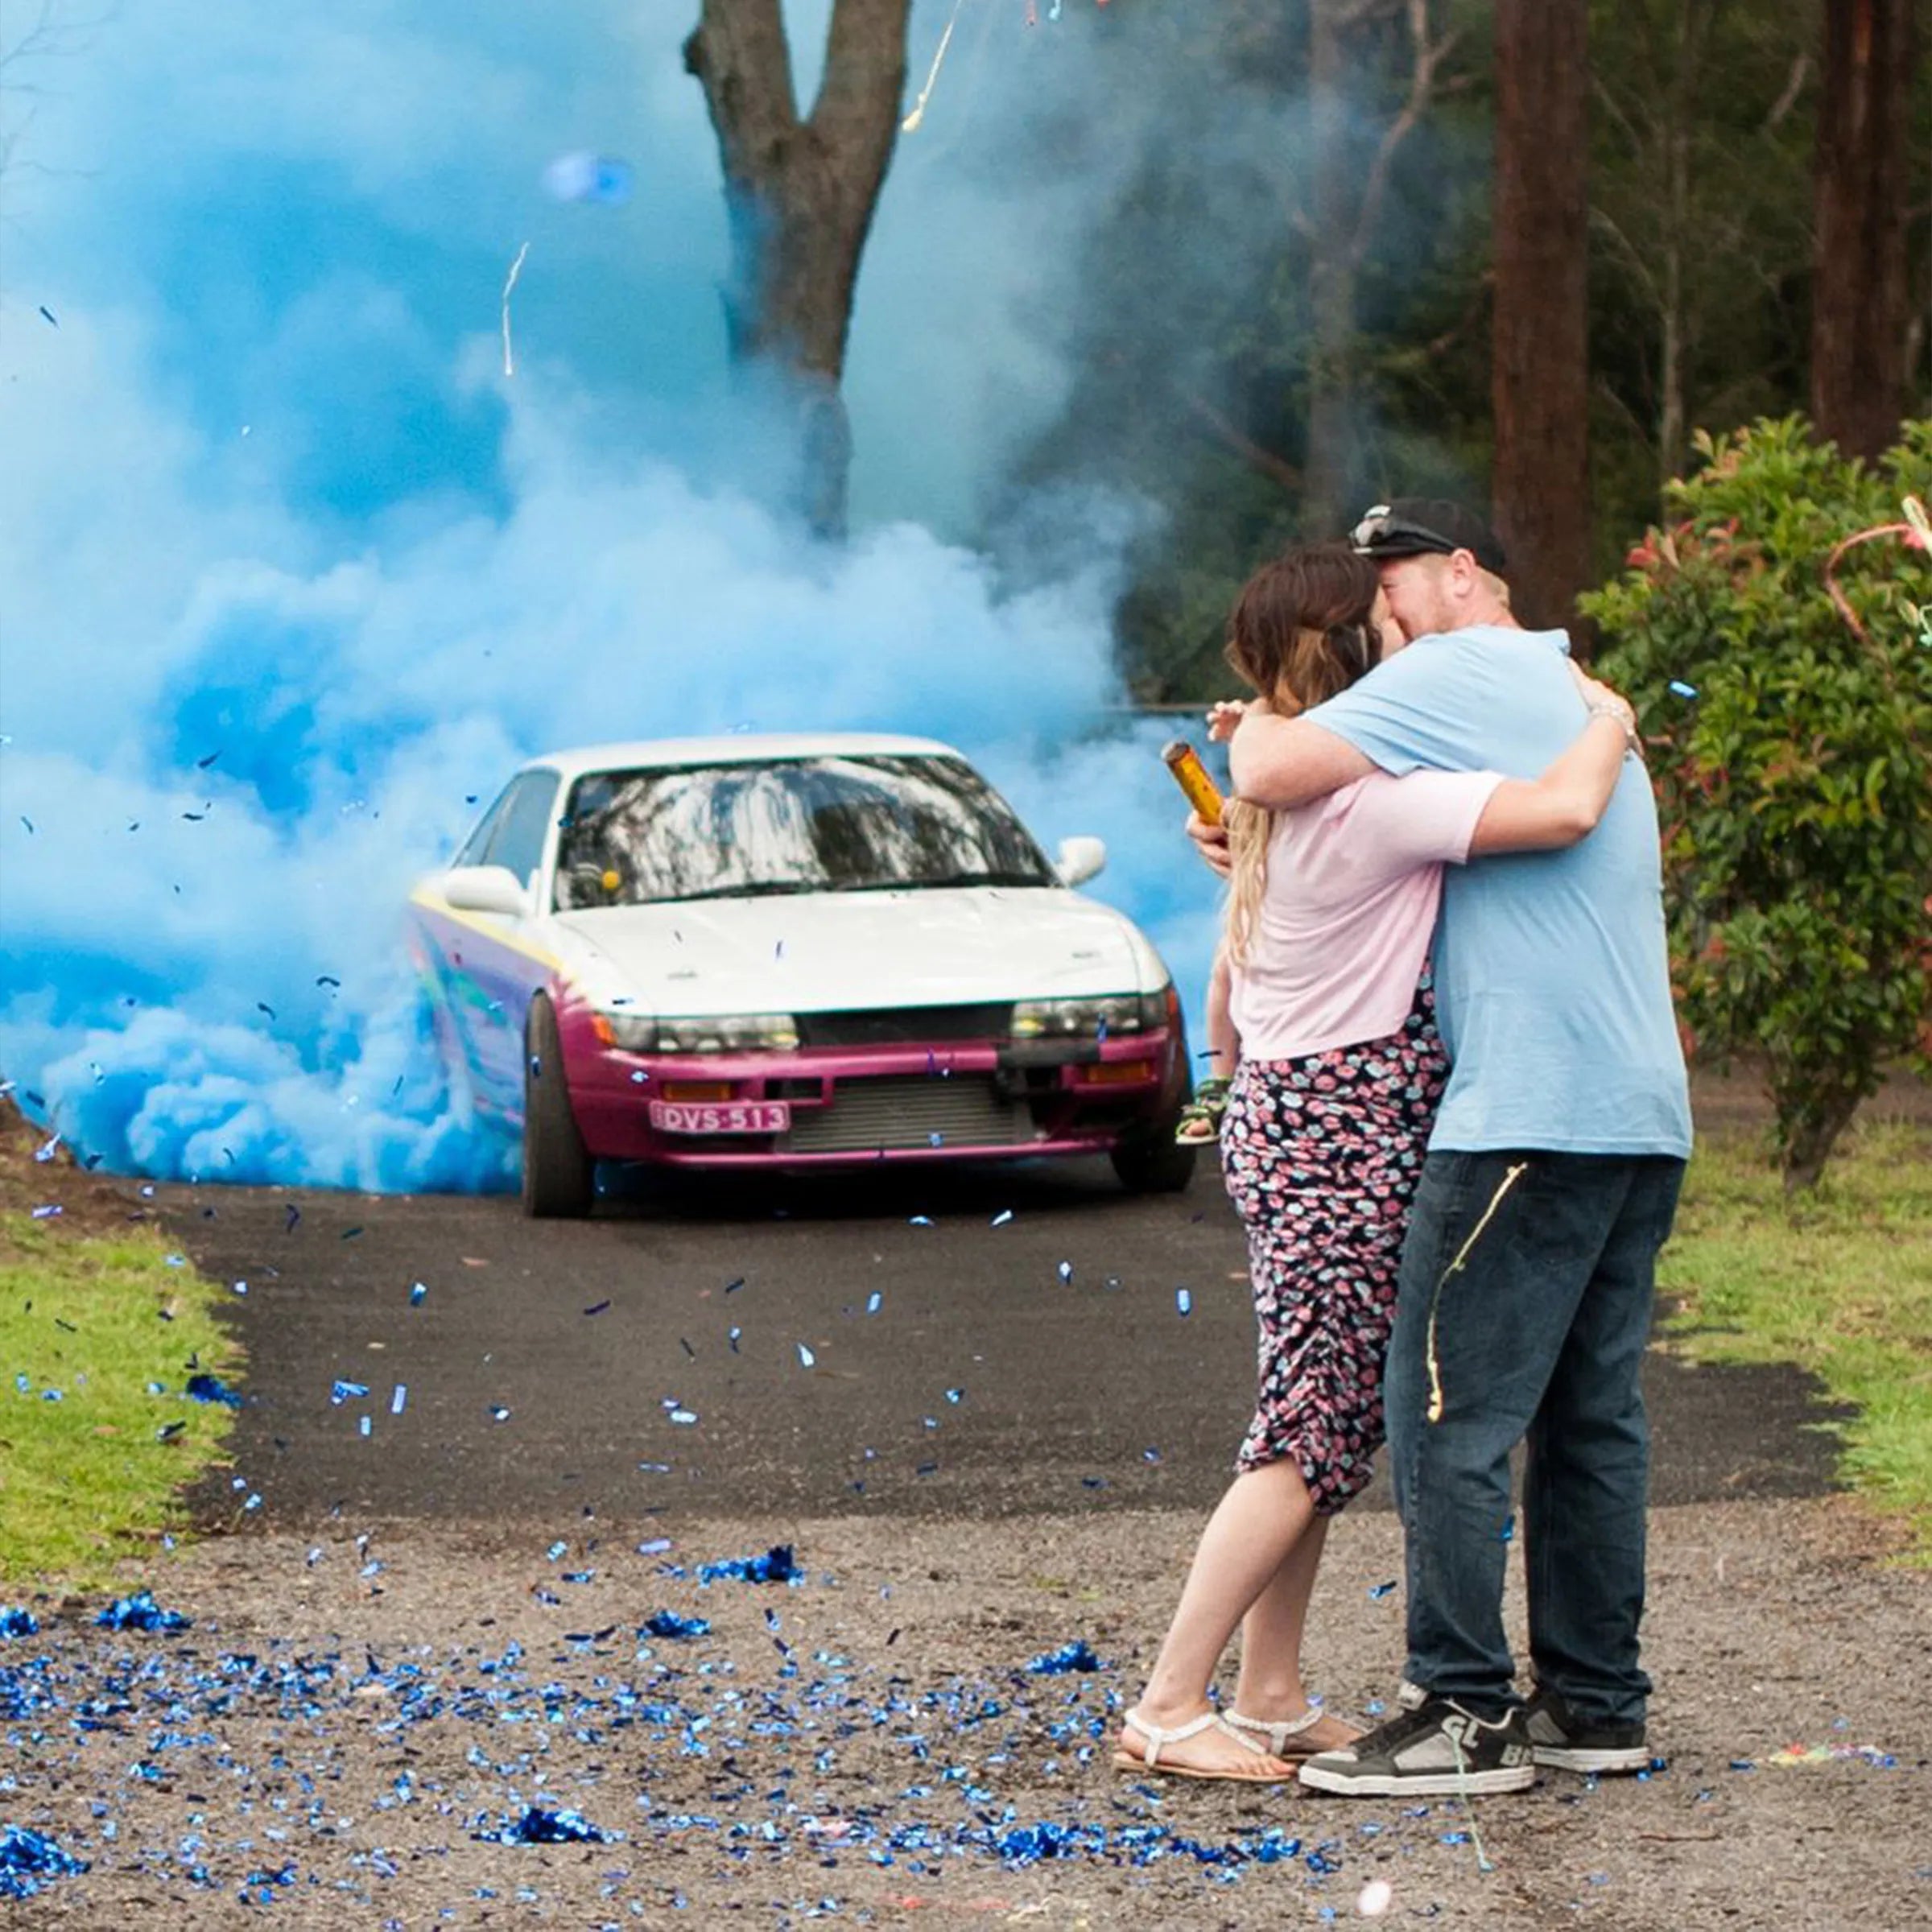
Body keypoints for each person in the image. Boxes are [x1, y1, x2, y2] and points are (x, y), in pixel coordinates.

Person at [1117, 542, 1644, 1781]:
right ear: (1357, 650)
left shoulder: (1290, 800)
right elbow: (1564, 809)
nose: (1417, 639)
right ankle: (1168, 1699)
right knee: (1311, 1435)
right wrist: (1610, 722)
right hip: (1344, 1132)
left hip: (1290, 1115)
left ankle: (1272, 1688)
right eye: (1392, 624)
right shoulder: (1379, 800)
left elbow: (1230, 997)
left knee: (1320, 1418)